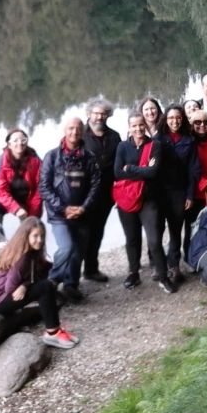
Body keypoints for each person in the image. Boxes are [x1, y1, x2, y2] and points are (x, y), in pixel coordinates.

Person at [0, 218, 79, 349]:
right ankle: (52, 333)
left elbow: (38, 271)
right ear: (26, 236)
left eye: (42, 236)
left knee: (46, 272)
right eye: (35, 236)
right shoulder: (22, 257)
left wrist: (25, 284)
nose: (40, 240)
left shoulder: (27, 251)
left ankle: (55, 329)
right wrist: (26, 285)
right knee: (45, 287)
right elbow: (10, 288)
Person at [39, 117, 101, 302]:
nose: (74, 132)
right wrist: (63, 208)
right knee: (66, 247)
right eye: (71, 128)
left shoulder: (89, 157)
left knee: (78, 252)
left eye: (78, 129)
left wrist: (84, 208)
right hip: (59, 215)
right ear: (64, 130)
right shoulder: (51, 156)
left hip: (83, 214)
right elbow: (44, 187)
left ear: (82, 132)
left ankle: (71, 286)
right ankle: (51, 281)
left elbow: (96, 185)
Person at [115, 111, 175, 293]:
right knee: (132, 239)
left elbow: (154, 172)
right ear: (129, 127)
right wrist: (142, 170)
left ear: (146, 125)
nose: (138, 128)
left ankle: (163, 276)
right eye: (134, 125)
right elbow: (117, 172)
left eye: (141, 125)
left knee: (154, 240)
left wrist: (130, 168)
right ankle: (134, 273)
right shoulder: (122, 147)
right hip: (127, 199)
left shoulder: (155, 146)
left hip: (149, 199)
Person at [156, 104, 200, 285]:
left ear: (182, 119)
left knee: (175, 230)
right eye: (171, 117)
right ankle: (160, 264)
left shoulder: (189, 140)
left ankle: (174, 265)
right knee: (157, 229)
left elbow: (193, 170)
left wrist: (190, 195)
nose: (174, 121)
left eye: (178, 117)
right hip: (159, 191)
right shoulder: (158, 139)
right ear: (166, 119)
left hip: (179, 191)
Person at [81, 98, 122, 283]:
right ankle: (72, 276)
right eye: (96, 113)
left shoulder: (114, 136)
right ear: (89, 114)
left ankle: (91, 269)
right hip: (83, 194)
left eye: (103, 113)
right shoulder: (79, 134)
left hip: (106, 193)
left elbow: (119, 164)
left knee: (97, 231)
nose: (99, 117)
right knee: (82, 233)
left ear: (108, 115)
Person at [0, 129, 43, 228]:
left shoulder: (36, 161)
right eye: (15, 141)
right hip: (7, 199)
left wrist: (32, 214)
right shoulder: (2, 161)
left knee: (31, 228)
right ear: (9, 145)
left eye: (23, 140)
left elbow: (40, 189)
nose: (20, 143)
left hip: (29, 200)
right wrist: (16, 208)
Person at [189, 108, 207, 263]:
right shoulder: (188, 142)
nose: (202, 125)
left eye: (206, 122)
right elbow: (187, 167)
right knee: (194, 227)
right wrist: (204, 184)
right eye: (197, 122)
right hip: (197, 192)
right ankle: (193, 258)